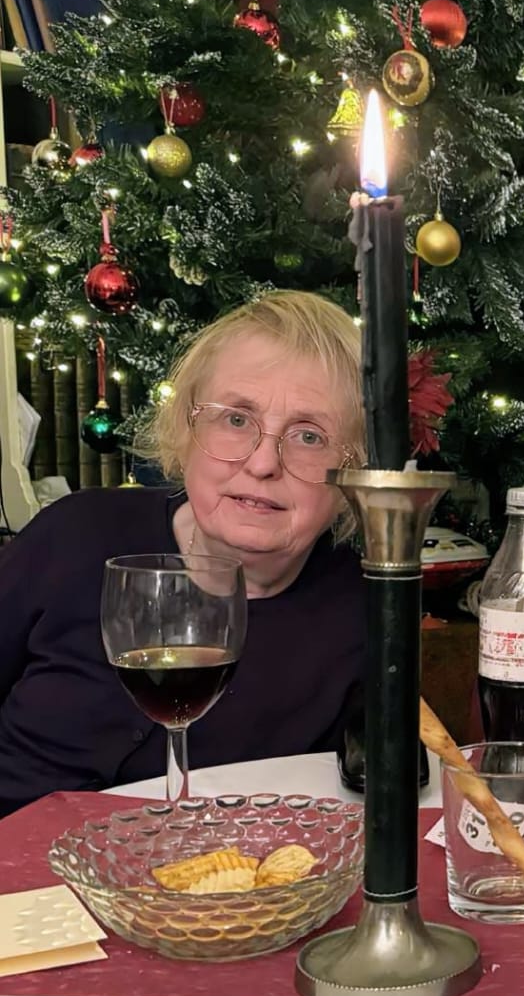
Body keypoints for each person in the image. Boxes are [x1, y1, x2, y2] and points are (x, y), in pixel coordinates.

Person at [0, 291, 367, 816]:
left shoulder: (364, 604)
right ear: (186, 429)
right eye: (236, 419)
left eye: (310, 436)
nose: (263, 463)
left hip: (213, 865)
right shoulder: (74, 534)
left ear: (354, 471)